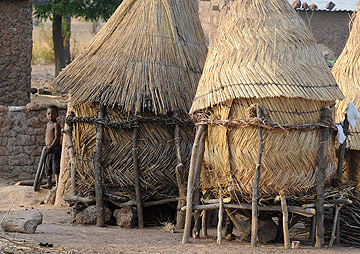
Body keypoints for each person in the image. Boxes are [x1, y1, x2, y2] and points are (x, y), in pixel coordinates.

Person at [44, 105, 61, 189]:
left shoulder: (56, 125)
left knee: (55, 167)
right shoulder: (48, 125)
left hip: (55, 149)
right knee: (48, 167)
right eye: (49, 114)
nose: (51, 115)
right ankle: (49, 183)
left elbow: (57, 138)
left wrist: (50, 147)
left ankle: (57, 184)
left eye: (53, 113)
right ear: (46, 115)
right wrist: (47, 147)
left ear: (57, 115)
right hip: (48, 149)